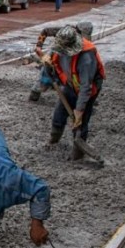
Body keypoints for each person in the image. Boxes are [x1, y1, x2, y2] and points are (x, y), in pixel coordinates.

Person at [39, 25, 105, 160]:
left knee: (81, 122)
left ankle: (78, 152)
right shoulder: (61, 42)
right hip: (69, 85)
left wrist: (79, 111)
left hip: (86, 90)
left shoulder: (86, 59)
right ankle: (53, 140)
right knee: (59, 113)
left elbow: (86, 88)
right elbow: (53, 57)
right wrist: (47, 60)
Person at [28, 21, 94, 102]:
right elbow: (45, 31)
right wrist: (39, 46)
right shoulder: (65, 32)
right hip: (56, 52)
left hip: (71, 57)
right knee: (46, 73)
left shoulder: (85, 41)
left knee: (72, 77)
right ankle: (35, 92)